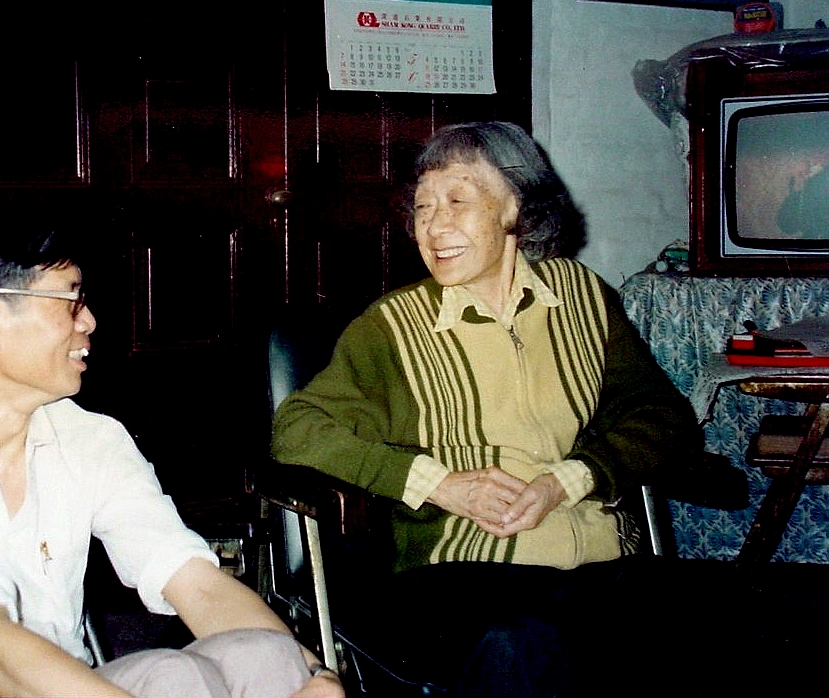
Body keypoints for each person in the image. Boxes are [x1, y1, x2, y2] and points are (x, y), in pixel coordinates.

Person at [271, 122, 741, 696]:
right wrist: (438, 484)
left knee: (744, 618)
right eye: (422, 208)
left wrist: (570, 479)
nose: (433, 226)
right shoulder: (392, 328)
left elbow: (660, 413)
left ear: (515, 207)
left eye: (457, 202)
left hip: (603, 560)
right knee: (522, 643)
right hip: (463, 572)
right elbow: (297, 429)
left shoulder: (581, 297)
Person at [0, 203, 343, 698]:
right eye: (69, 301)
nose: (89, 321)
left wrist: (311, 673)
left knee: (265, 653)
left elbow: (195, 583)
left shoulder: (89, 438)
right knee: (172, 676)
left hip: (60, 683)